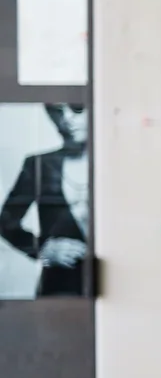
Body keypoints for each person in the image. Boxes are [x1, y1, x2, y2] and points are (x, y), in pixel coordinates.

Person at [1, 103, 90, 297]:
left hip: (121, 283)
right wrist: (42, 249)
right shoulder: (39, 165)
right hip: (60, 286)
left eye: (77, 109)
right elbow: (5, 221)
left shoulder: (123, 163)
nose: (66, 119)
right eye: (57, 111)